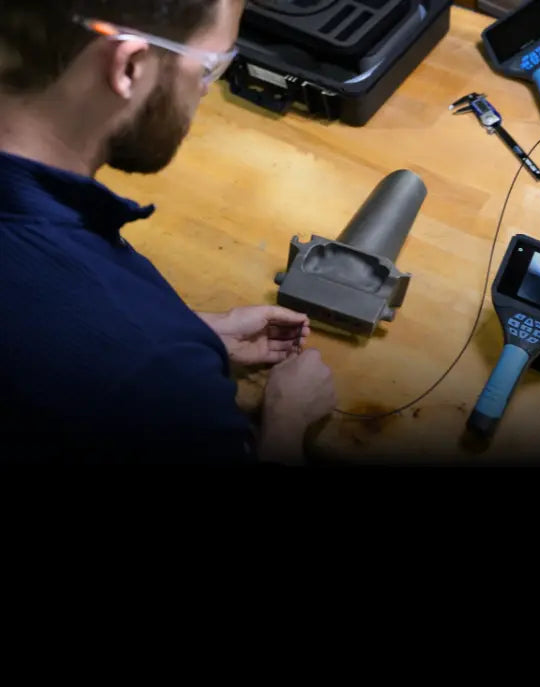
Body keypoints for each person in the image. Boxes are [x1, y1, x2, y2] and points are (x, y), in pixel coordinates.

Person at [0, 0, 337, 465]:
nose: (203, 93)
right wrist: (286, 419)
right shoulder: (156, 376)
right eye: (210, 68)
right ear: (131, 66)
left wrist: (193, 334)